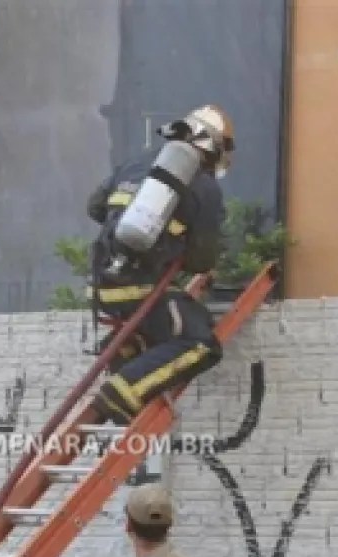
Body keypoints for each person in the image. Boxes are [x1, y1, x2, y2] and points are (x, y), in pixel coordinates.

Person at [86, 104, 234, 426]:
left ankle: (123, 350)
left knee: (165, 321)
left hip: (102, 286)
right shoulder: (204, 186)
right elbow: (201, 260)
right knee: (200, 343)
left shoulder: (134, 163)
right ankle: (123, 392)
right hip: (141, 290)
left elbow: (95, 207)